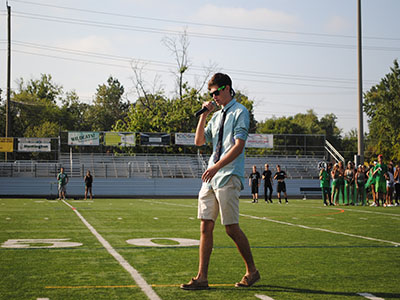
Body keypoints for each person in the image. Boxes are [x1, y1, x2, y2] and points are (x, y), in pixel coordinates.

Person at [181, 73, 259, 290]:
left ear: (227, 89)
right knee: (205, 225)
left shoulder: (240, 112)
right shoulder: (215, 117)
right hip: (211, 177)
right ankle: (201, 277)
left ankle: (252, 271)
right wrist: (203, 115)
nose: (213, 97)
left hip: (228, 174)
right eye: (211, 94)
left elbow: (239, 145)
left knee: (231, 228)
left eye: (216, 92)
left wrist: (216, 166)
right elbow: (199, 142)